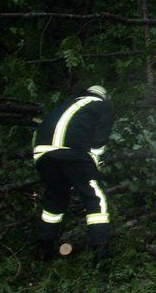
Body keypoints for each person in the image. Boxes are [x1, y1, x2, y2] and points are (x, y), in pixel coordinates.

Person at [32, 85, 115, 264]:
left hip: (42, 155)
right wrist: (95, 166)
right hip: (72, 152)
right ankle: (101, 251)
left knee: (55, 199)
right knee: (94, 197)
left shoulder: (67, 105)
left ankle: (44, 249)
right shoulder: (101, 105)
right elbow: (98, 143)